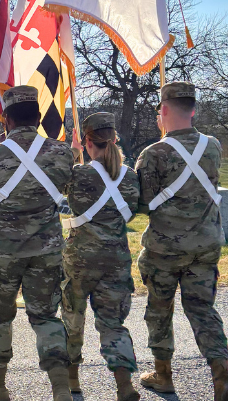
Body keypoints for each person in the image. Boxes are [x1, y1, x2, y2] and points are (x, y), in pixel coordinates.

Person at [0, 85, 75, 401]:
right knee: (47, 318)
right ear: (38, 117)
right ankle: (61, 390)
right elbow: (70, 186)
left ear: (4, 118)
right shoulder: (63, 153)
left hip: (2, 254)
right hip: (47, 252)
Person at [134, 82, 228, 401]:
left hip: (164, 251)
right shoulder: (213, 145)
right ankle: (222, 377)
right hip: (204, 248)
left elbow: (142, 204)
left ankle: (163, 376)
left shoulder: (153, 154)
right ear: (193, 109)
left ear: (164, 111)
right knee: (203, 311)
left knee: (159, 312)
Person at [60, 113, 141, 401]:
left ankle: (72, 381)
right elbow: (134, 208)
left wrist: (73, 151)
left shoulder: (78, 174)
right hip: (116, 259)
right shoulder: (130, 176)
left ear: (88, 142)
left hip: (79, 259)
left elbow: (57, 180)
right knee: (112, 324)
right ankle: (125, 386)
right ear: (115, 140)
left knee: (72, 318)